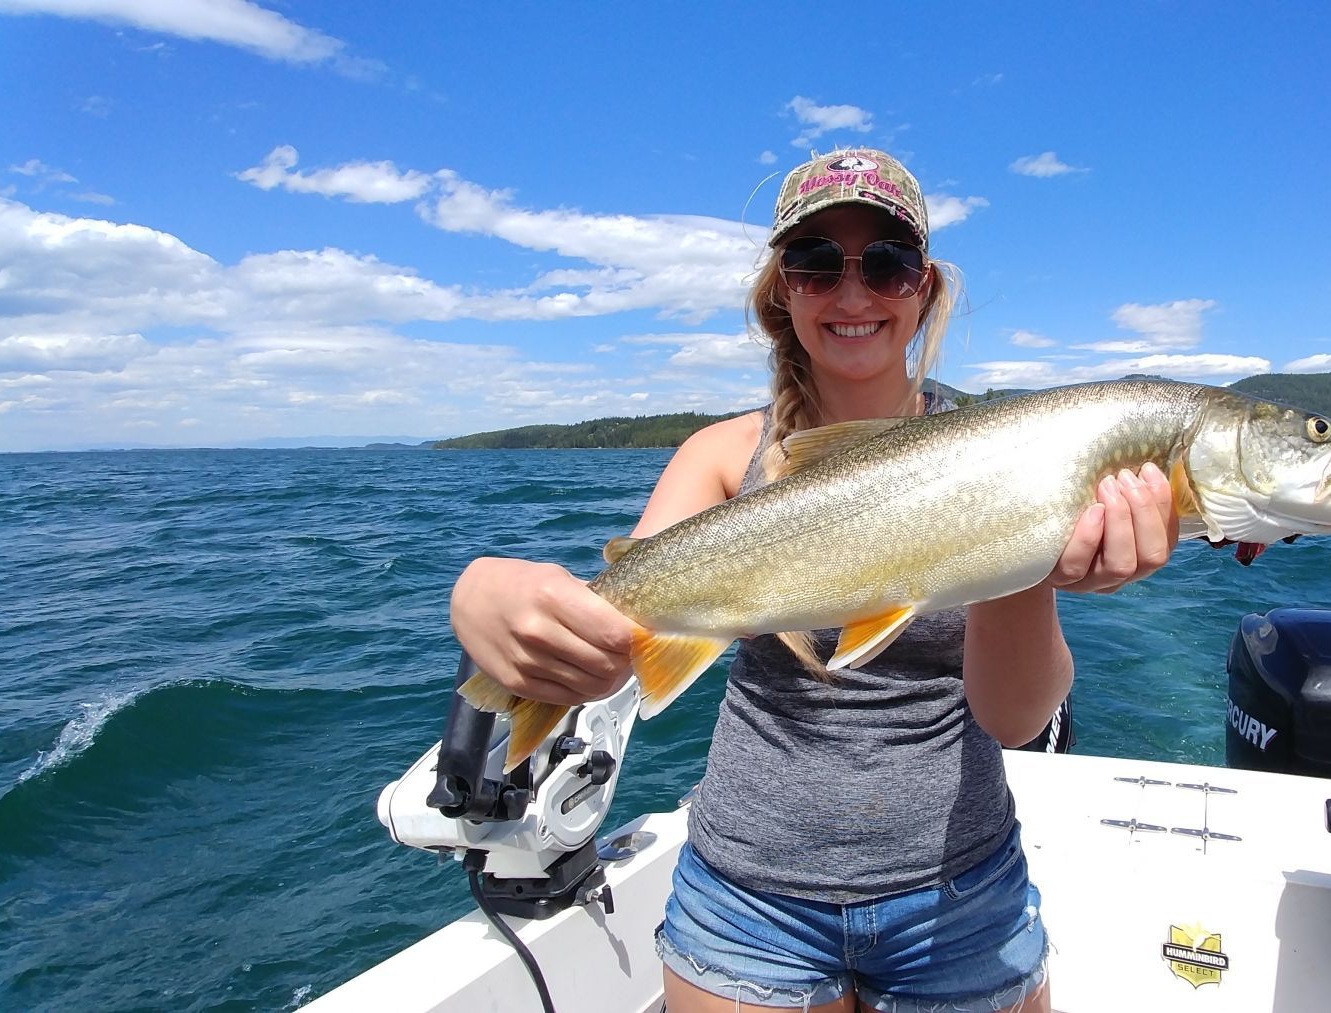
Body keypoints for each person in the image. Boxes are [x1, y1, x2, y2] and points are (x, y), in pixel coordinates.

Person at [449, 148, 1177, 1013]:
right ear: (782, 293)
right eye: (817, 263)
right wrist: (480, 591)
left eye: (887, 263)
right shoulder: (721, 455)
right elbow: (611, 639)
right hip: (745, 901)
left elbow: (1015, 720)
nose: (854, 292)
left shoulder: (1009, 456)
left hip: (962, 894)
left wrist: (1025, 559)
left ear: (924, 289)